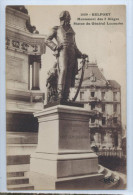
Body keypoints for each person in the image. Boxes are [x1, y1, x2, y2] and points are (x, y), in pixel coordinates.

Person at [45, 10, 88, 101]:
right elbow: (47, 40)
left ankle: (65, 96)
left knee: (69, 73)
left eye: (69, 18)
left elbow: (75, 46)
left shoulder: (72, 32)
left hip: (72, 54)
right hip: (62, 52)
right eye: (68, 18)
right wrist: (55, 46)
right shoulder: (56, 29)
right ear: (63, 19)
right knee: (63, 70)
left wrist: (81, 54)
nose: (69, 20)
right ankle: (60, 95)